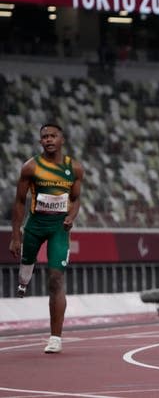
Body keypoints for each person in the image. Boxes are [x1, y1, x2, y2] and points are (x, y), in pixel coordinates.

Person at [9, 123, 84, 353]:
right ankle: (24, 281)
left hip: (58, 228)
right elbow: (20, 201)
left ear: (62, 139)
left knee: (55, 279)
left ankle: (55, 337)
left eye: (53, 136)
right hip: (34, 226)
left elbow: (76, 198)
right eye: (44, 137)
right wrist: (15, 236)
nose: (49, 139)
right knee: (26, 265)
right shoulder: (31, 167)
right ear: (40, 142)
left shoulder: (75, 168)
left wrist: (71, 216)